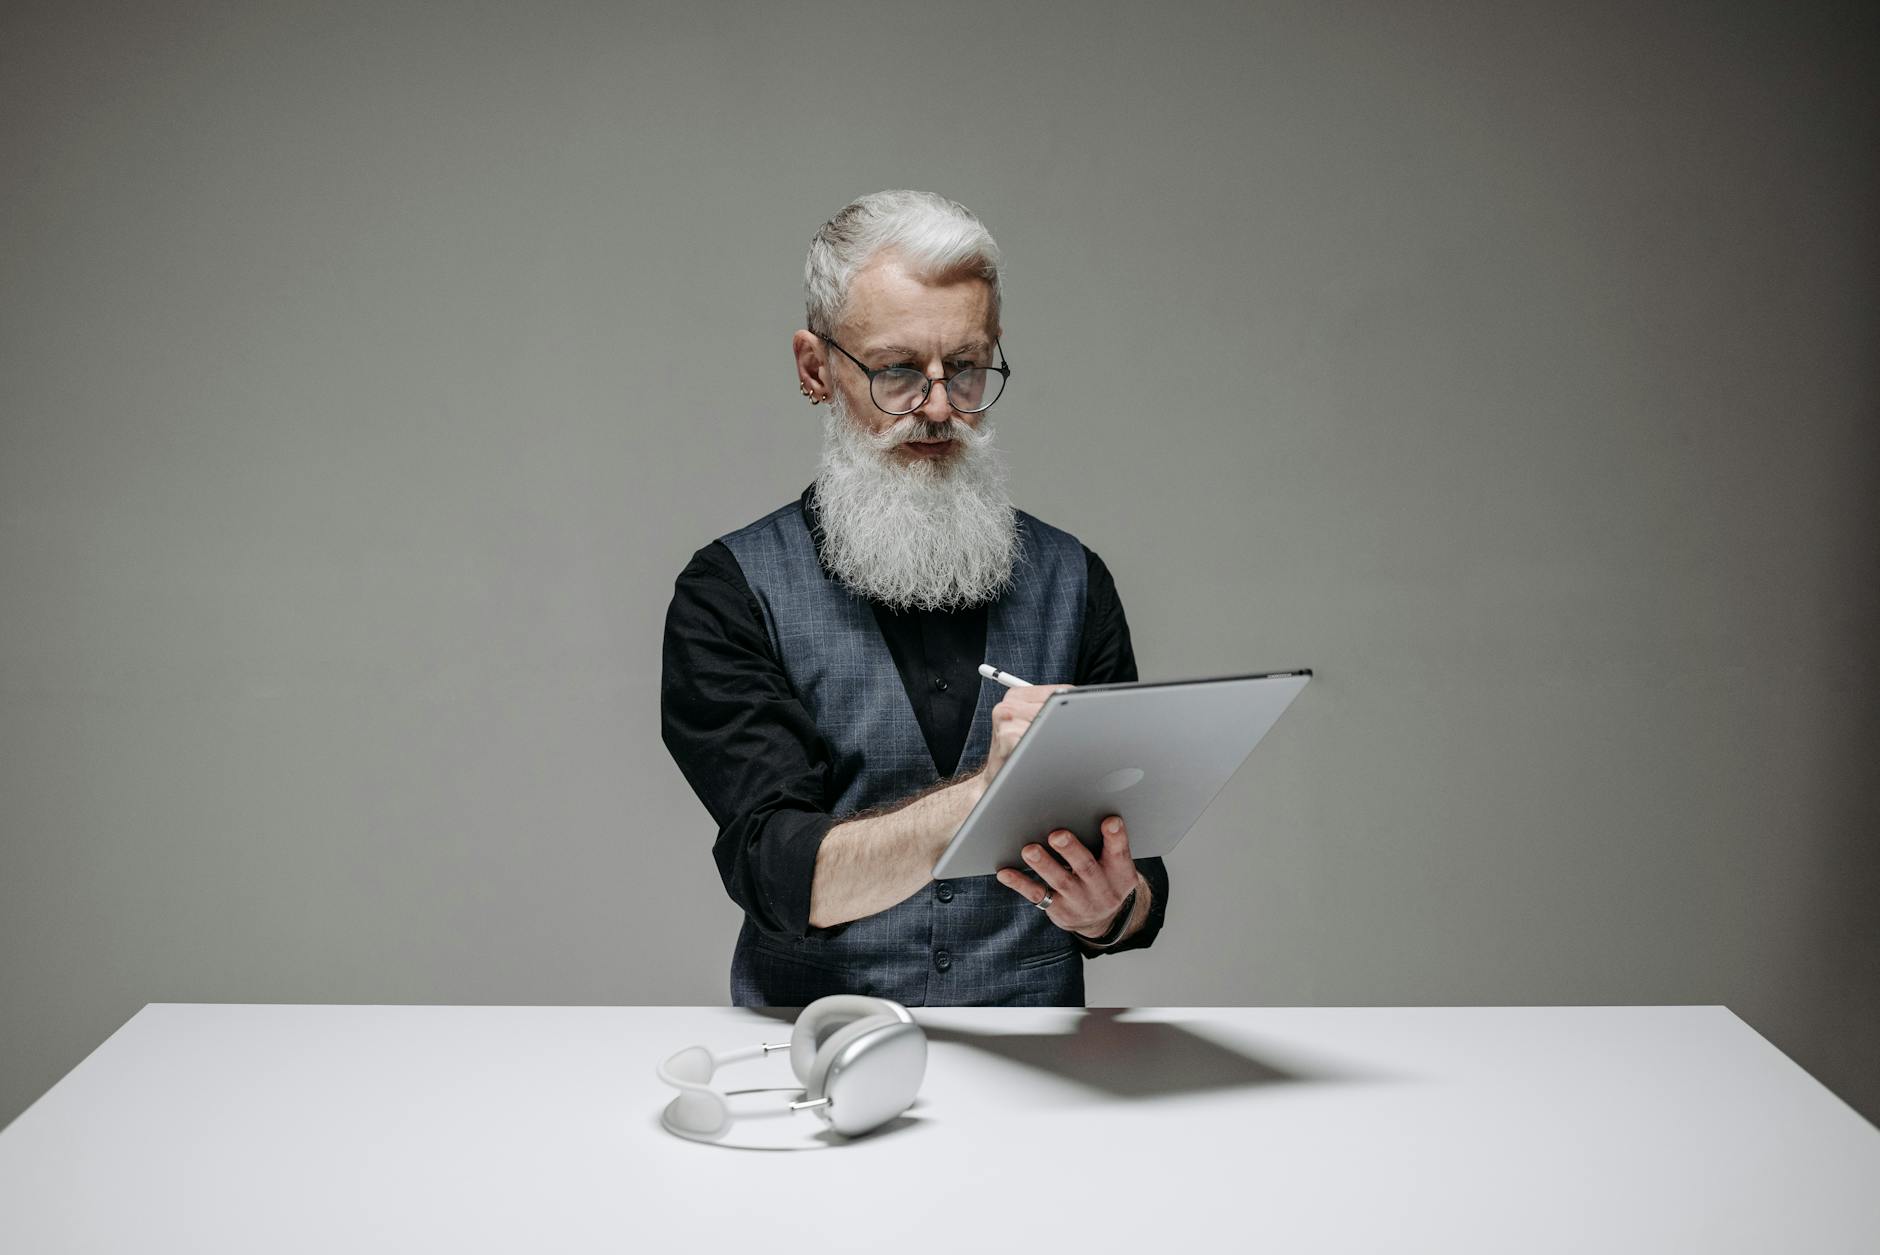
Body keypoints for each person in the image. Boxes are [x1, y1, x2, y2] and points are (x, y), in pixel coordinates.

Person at [661, 189, 1169, 1006]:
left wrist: (1110, 909)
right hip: (816, 1046)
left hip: (1036, 1053)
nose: (938, 408)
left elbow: (1137, 883)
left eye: (965, 368)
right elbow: (781, 871)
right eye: (897, 371)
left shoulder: (1076, 581)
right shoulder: (730, 593)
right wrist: (988, 796)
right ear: (815, 368)